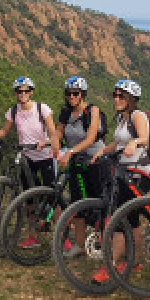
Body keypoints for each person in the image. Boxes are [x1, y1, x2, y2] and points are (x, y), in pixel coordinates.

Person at [89, 78, 150, 284]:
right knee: (131, 220)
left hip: (138, 172)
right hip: (125, 171)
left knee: (119, 216)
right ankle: (134, 263)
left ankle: (110, 266)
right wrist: (101, 151)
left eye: (121, 96)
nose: (116, 99)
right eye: (114, 95)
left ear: (131, 99)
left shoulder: (137, 115)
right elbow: (118, 143)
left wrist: (134, 143)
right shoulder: (122, 119)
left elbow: (145, 138)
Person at [55, 75, 106, 258]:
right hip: (76, 162)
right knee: (77, 203)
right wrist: (54, 144)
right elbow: (58, 132)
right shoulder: (66, 113)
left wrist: (69, 152)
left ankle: (102, 243)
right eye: (68, 94)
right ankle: (80, 245)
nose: (71, 97)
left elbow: (91, 138)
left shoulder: (93, 110)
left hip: (94, 161)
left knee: (99, 203)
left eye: (75, 93)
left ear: (82, 94)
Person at [0, 76, 60, 187]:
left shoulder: (42, 108)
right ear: (16, 93)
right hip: (27, 157)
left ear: (31, 92)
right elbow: (4, 130)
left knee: (52, 194)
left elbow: (54, 133)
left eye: (26, 91)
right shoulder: (13, 111)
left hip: (46, 156)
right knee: (28, 195)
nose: (23, 94)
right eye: (19, 91)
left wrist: (47, 143)